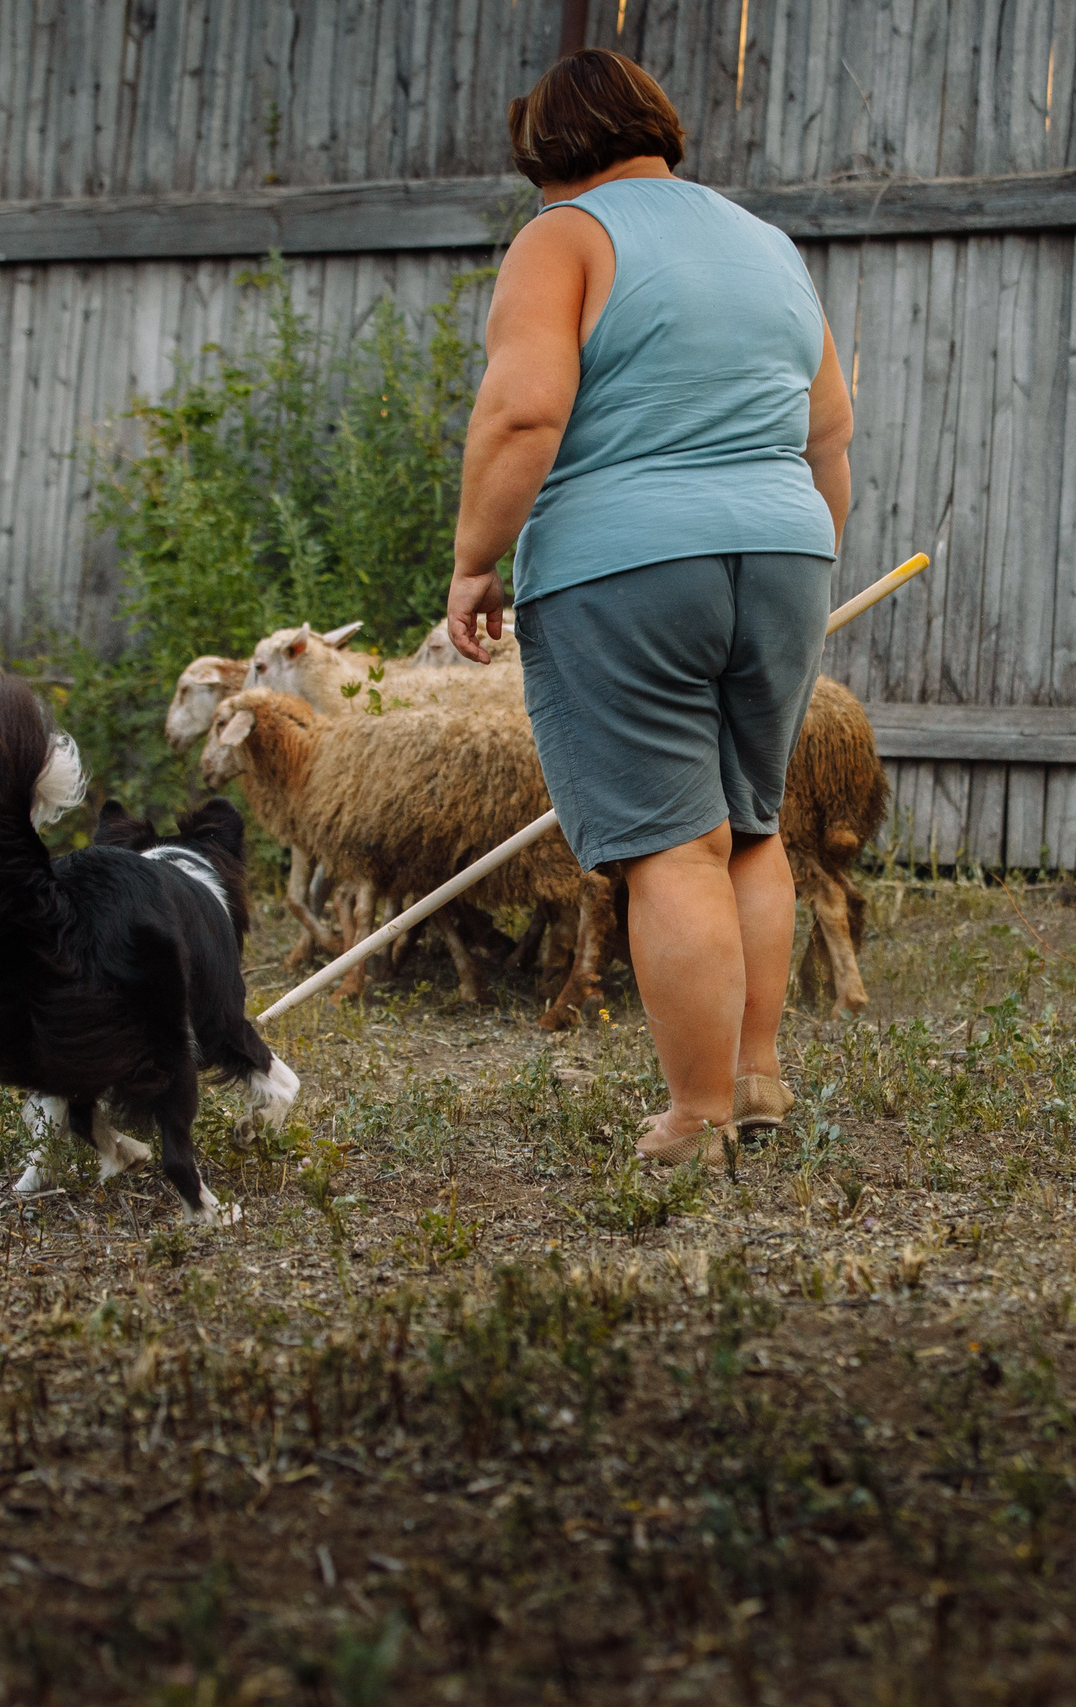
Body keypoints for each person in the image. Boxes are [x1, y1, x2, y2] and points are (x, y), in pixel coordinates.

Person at [445, 49, 853, 1164]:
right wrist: (795, 555)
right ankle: (756, 1075)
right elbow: (830, 434)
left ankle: (696, 1117)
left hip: (623, 563)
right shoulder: (768, 247)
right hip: (781, 551)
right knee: (751, 831)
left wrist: (474, 560)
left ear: (551, 155)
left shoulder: (563, 236)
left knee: (672, 847)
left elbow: (524, 416)